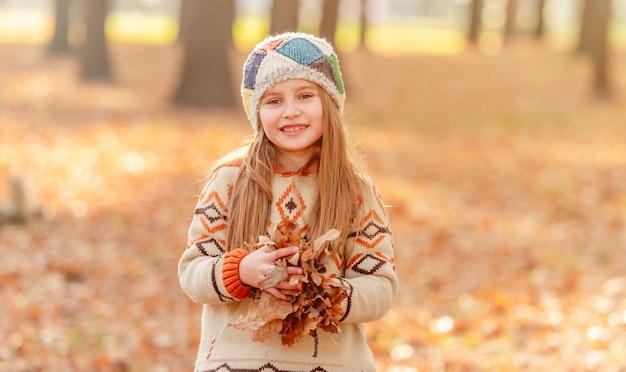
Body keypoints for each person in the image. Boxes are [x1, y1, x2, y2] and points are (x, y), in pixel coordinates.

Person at [178, 32, 398, 372]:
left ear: (330, 103)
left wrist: (325, 294)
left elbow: (380, 286)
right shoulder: (230, 181)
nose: (290, 112)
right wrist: (241, 271)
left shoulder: (356, 191)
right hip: (235, 363)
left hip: (333, 364)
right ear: (258, 112)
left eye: (305, 95)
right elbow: (193, 271)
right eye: (274, 101)